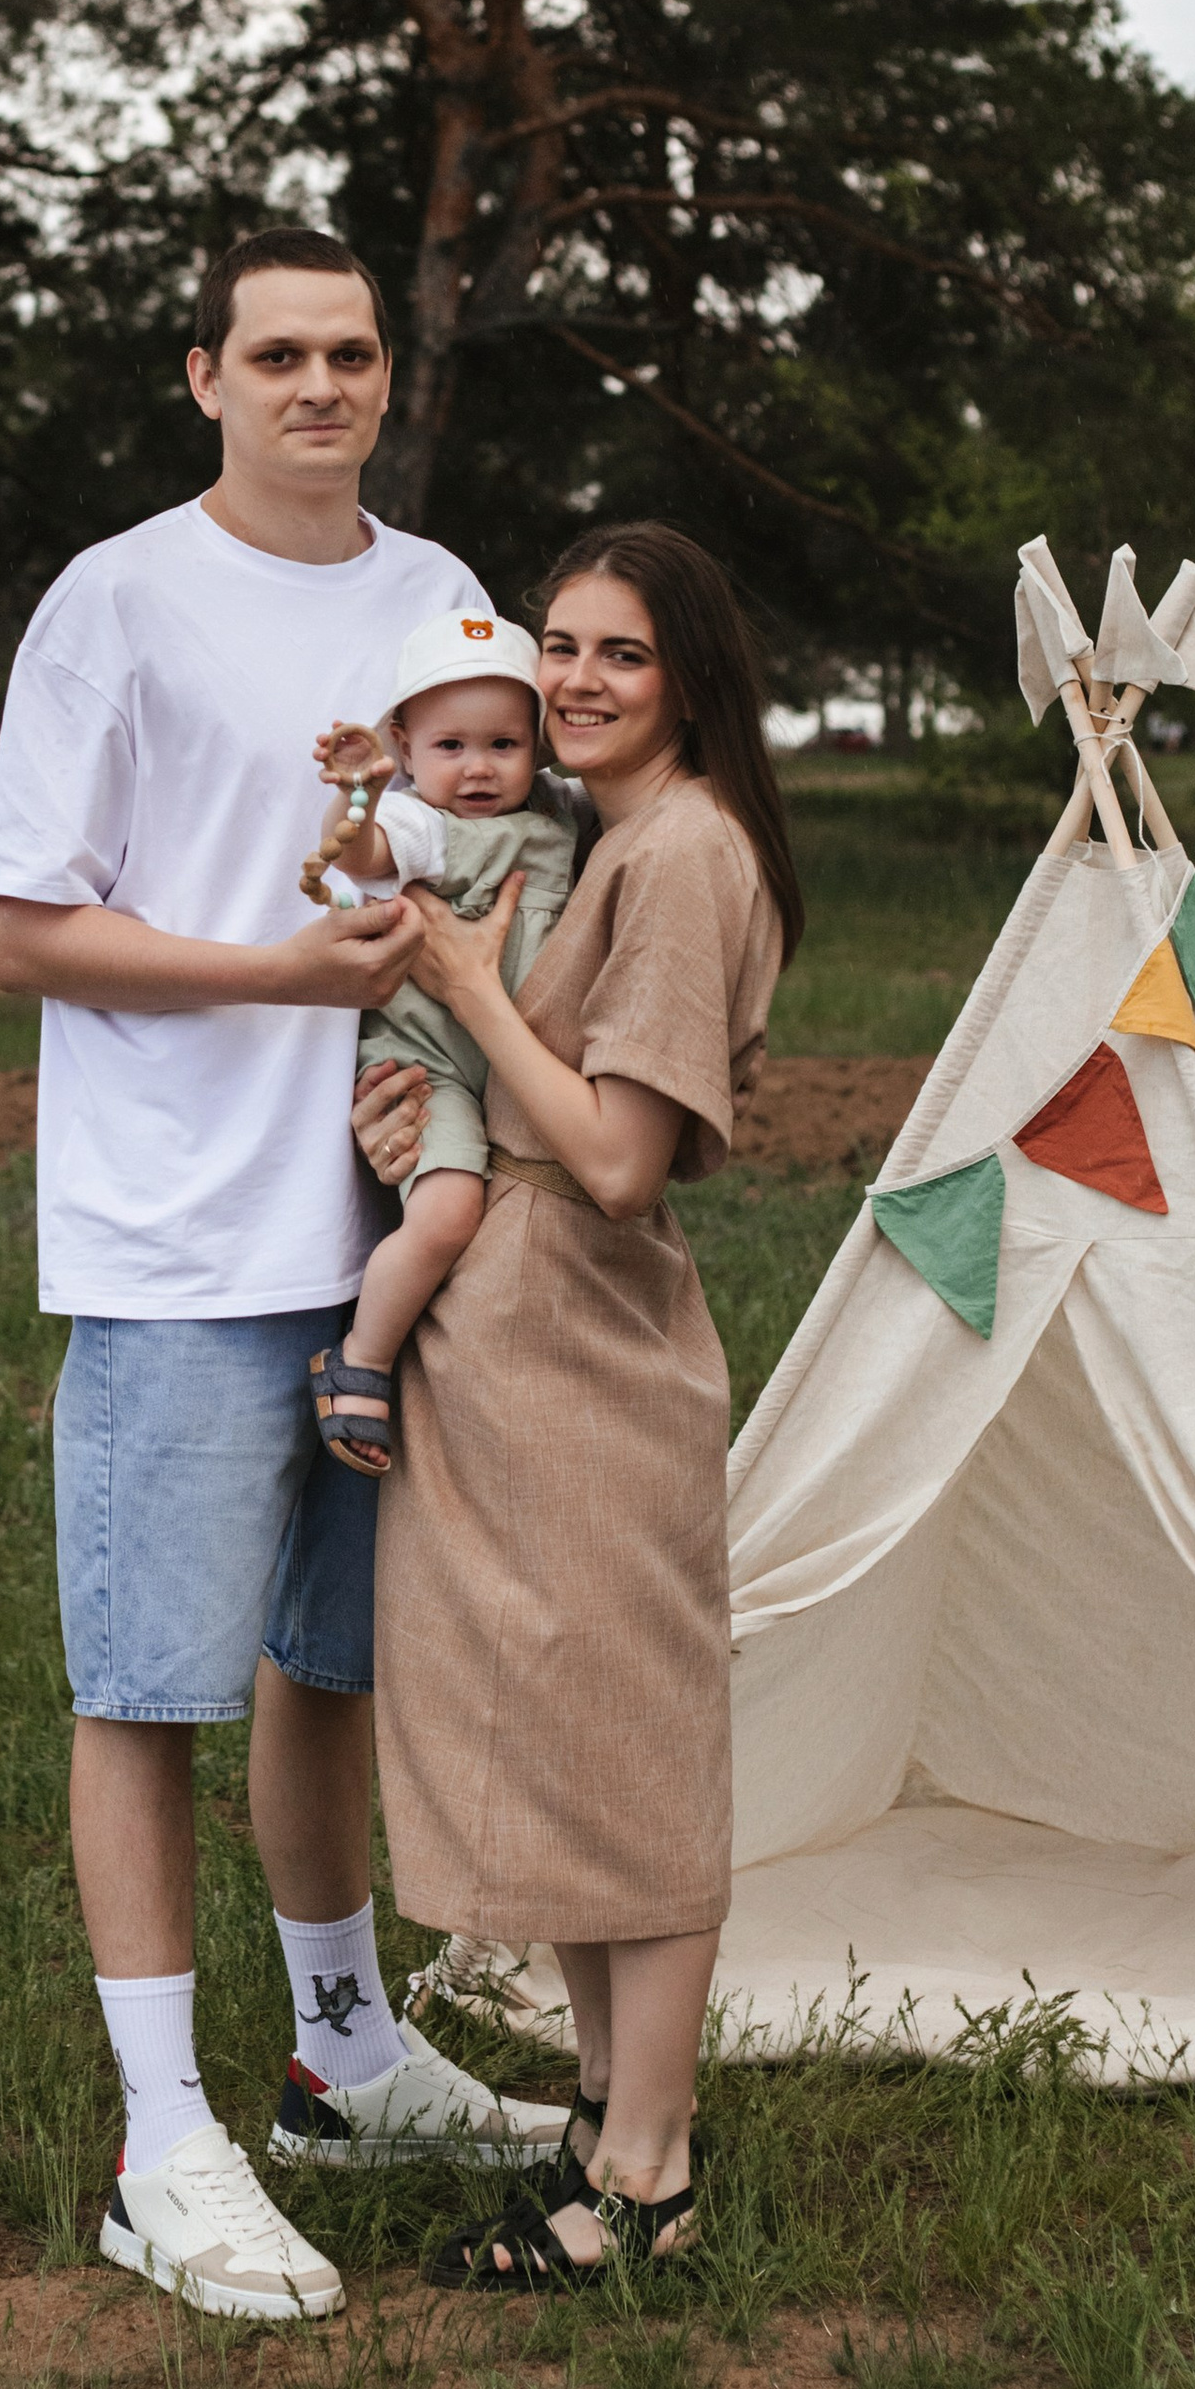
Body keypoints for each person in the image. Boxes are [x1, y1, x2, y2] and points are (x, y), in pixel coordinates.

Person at [0, 226, 567, 2325]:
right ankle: (162, 2141)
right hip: (178, 1232)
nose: (319, 385)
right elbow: (24, 928)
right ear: (200, 375)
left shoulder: (439, 601)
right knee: (145, 1685)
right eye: (277, 353)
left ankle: (338, 2056)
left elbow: (498, 853)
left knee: (329, 1663)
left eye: (352, 353)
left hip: (385, 1229)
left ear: (387, 378)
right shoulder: (115, 598)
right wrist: (271, 975)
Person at [352, 523, 806, 2289]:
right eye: (559, 645)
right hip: (518, 1331)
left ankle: (648, 2173)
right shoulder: (611, 840)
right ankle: (606, 2113)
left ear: (689, 671)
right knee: (574, 1731)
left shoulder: (684, 854)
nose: (577, 681)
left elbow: (617, 1156)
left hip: (589, 1335)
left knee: (633, 1747)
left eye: (620, 650)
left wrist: (464, 986)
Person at [298, 613, 584, 1479]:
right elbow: (368, 848)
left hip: (515, 1056)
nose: (479, 767)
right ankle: (364, 1357)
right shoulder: (427, 823)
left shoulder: (566, 812)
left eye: (504, 742)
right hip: (431, 1063)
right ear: (406, 746)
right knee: (451, 1209)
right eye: (450, 744)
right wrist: (364, 792)